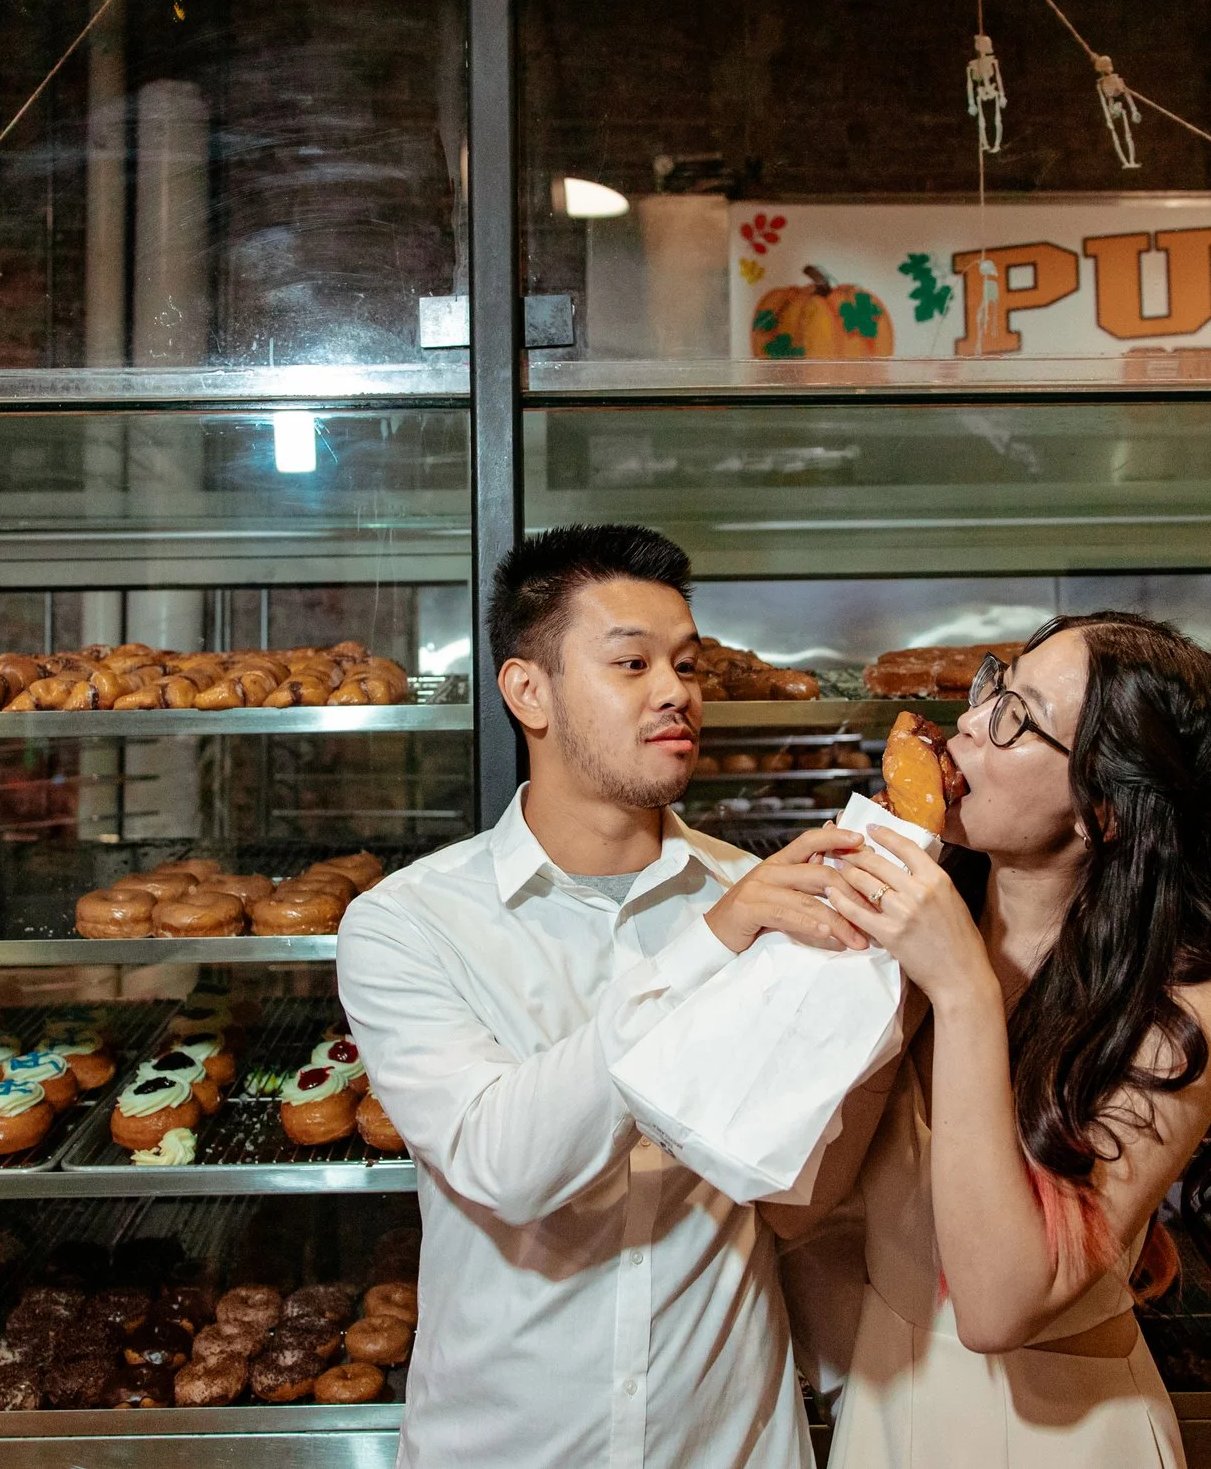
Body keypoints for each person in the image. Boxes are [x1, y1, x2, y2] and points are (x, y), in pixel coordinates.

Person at [337, 524, 874, 1469]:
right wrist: (709, 951)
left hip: (728, 1443)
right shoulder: (407, 924)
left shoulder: (755, 899)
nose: (677, 691)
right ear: (527, 690)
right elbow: (500, 1162)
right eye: (632, 662)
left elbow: (805, 1196)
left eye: (687, 664)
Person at [783, 611, 1211, 1468]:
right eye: (991, 684)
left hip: (1057, 1428)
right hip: (883, 1401)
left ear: (1104, 809)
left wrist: (962, 991)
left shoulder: (1182, 1007)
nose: (968, 721)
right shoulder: (921, 926)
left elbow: (1000, 1303)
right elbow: (798, 1201)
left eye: (1016, 715)